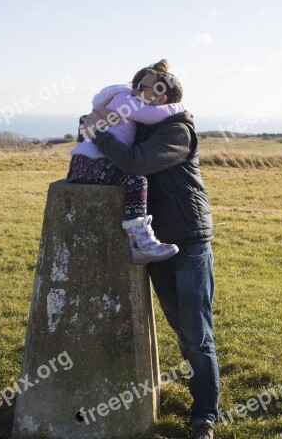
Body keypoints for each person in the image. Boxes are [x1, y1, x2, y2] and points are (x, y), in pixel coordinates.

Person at [81, 59, 219, 439]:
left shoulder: (176, 130)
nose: (139, 92)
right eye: (137, 85)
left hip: (188, 241)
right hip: (159, 243)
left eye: (148, 86)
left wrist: (99, 133)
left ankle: (205, 416)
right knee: (180, 326)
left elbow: (135, 163)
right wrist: (95, 125)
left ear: (167, 95)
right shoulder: (139, 129)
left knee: (196, 334)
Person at [65, 81, 185, 264]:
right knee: (135, 180)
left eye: (143, 86)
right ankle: (141, 245)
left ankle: (141, 244)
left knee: (133, 179)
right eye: (138, 85)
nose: (138, 90)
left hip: (87, 163)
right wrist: (179, 106)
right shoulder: (124, 99)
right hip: (90, 163)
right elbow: (152, 115)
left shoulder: (117, 99)